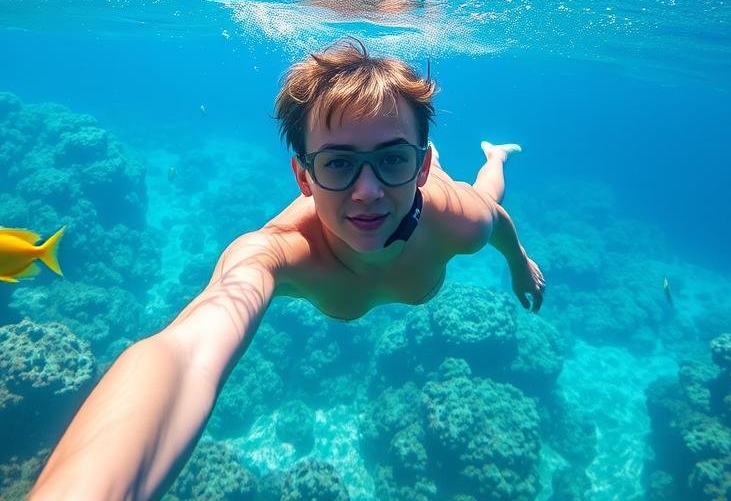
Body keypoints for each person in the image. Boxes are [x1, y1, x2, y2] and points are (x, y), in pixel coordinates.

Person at [29, 38, 545, 501]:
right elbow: (185, 353)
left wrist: (519, 264)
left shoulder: (455, 221)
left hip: (444, 197)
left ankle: (493, 154)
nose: (367, 192)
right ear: (303, 176)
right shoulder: (278, 251)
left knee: (486, 191)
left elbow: (496, 219)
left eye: (391, 160)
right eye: (339, 164)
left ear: (422, 167)